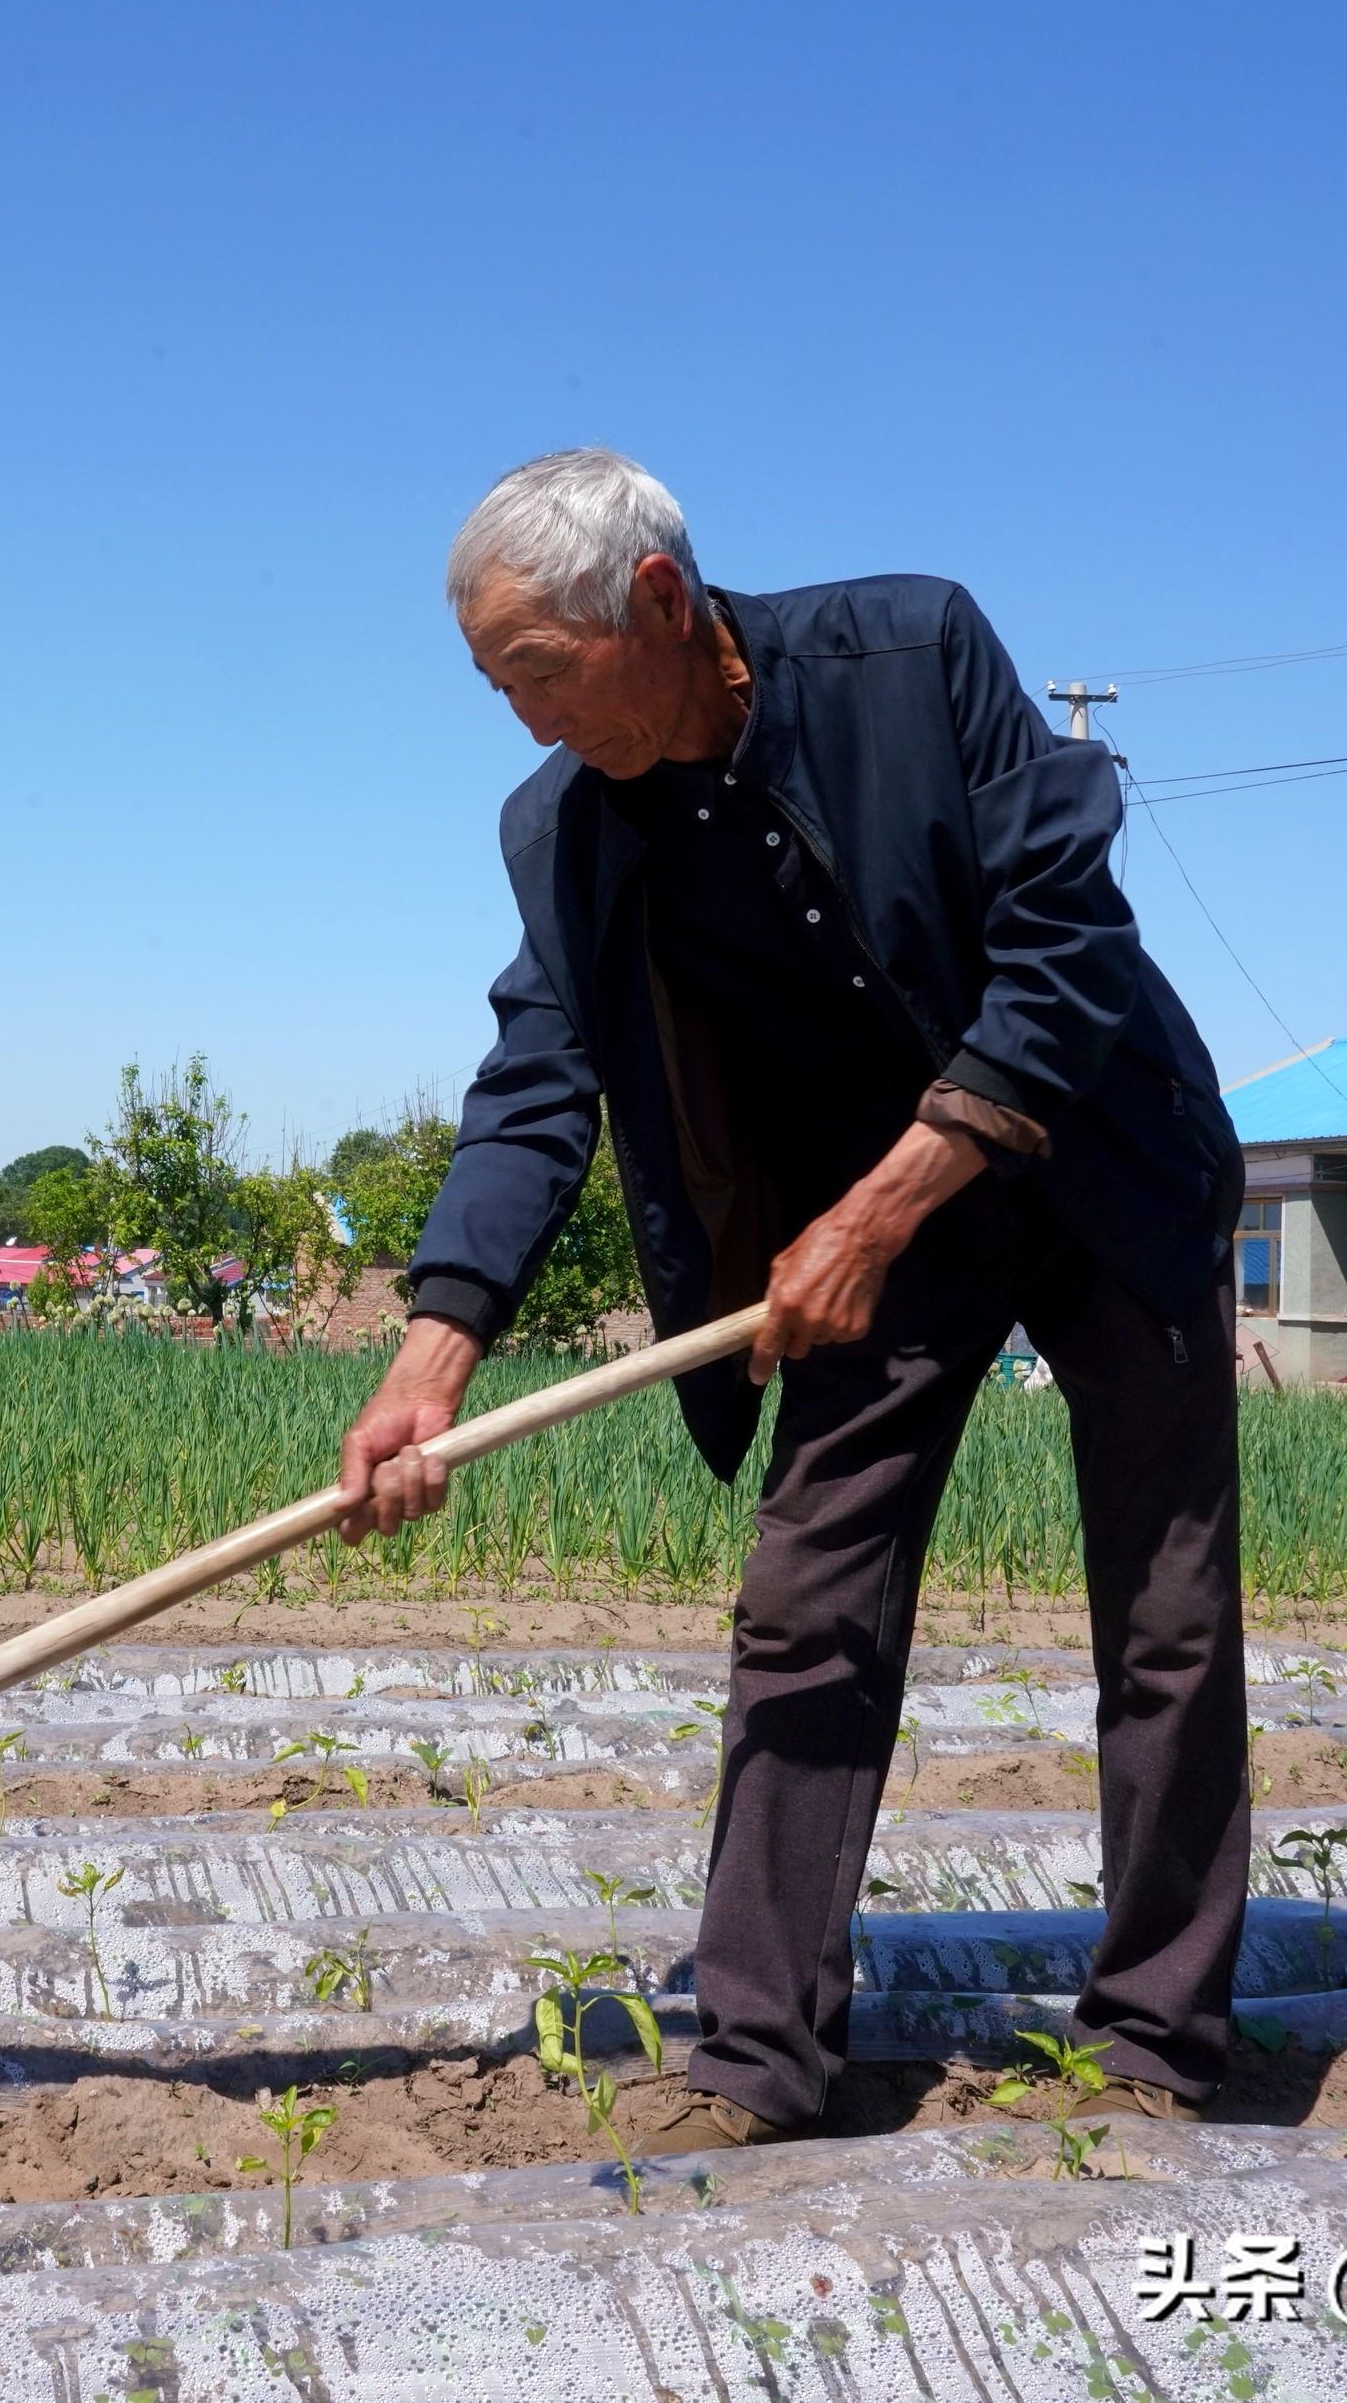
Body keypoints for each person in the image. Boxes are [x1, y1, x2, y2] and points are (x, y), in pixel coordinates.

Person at [336, 449, 1248, 2146]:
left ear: (662, 606)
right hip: (873, 1233)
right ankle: (759, 2057)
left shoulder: (909, 655)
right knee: (807, 1598)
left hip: (1096, 1158)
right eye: (492, 686)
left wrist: (890, 1194)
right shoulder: (565, 827)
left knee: (1166, 1612)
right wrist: (431, 1351)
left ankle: (1157, 2043)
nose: (525, 723)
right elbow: (540, 1078)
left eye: (539, 672)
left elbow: (1066, 942)